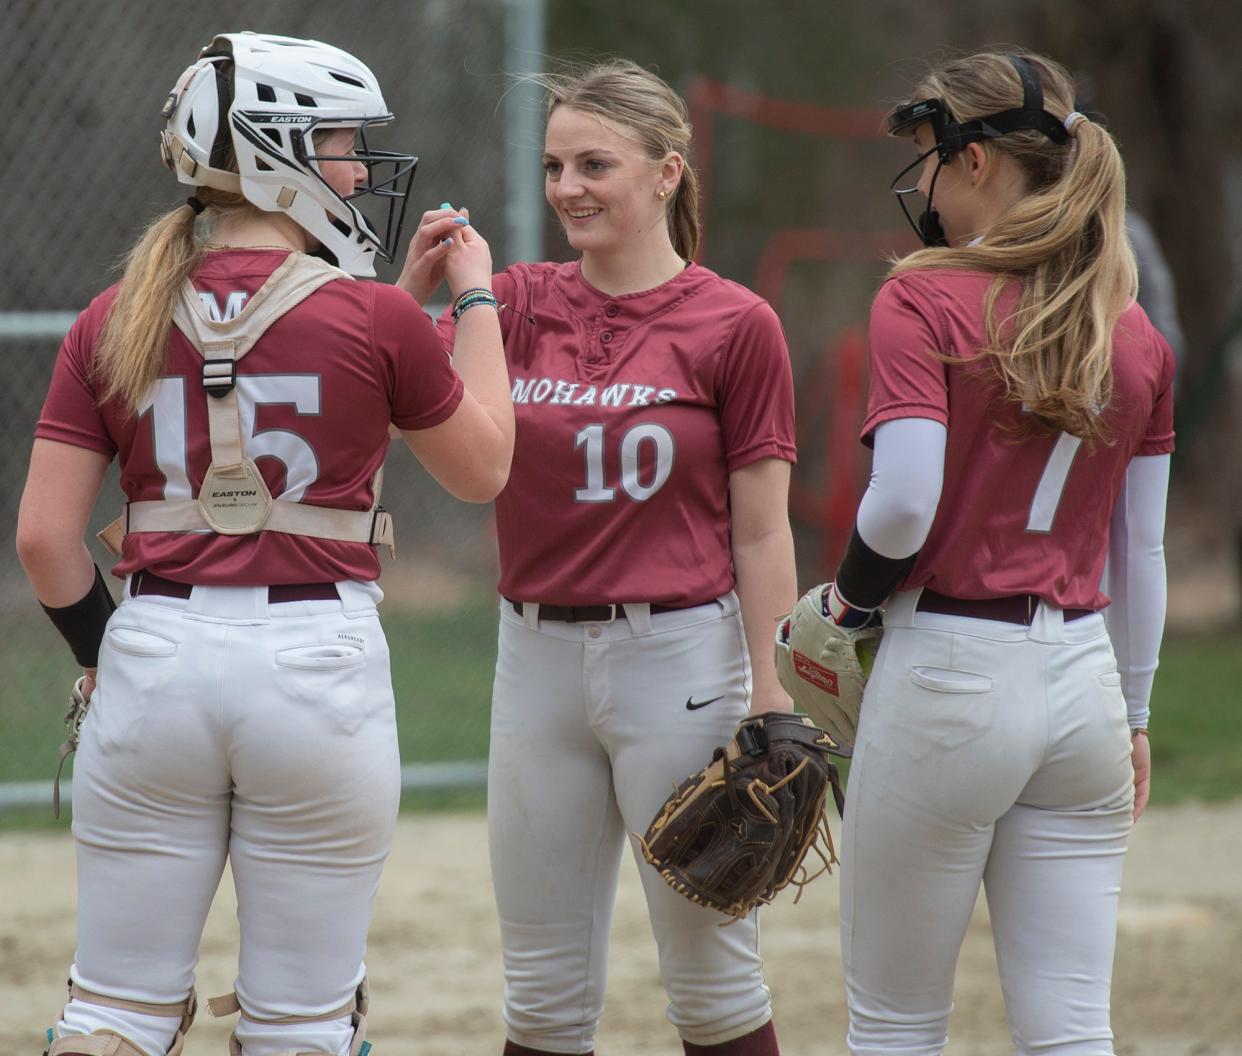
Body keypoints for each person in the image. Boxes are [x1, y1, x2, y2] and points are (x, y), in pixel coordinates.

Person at [17, 31, 512, 1056]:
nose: (356, 166)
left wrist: (103, 658)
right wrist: (472, 302)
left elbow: (43, 541)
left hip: (155, 653)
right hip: (315, 668)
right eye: (336, 141)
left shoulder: (115, 314)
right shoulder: (377, 317)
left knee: (112, 1014)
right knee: (301, 1027)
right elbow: (484, 468)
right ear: (274, 151)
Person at [398, 59, 798, 1056]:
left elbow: (762, 531)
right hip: (533, 661)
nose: (566, 186)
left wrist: (773, 691)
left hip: (681, 661)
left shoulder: (736, 323)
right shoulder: (516, 303)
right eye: (552, 165)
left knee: (712, 985)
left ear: (667, 175)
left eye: (593, 163)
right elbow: (405, 407)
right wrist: (417, 297)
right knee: (540, 997)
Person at [817, 50, 1173, 1054]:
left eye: (929, 156)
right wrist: (1138, 715)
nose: (921, 183)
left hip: (949, 674)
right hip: (1084, 682)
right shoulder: (1135, 327)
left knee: (894, 1027)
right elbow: (1138, 552)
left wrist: (843, 608)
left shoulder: (923, 296)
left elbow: (901, 509)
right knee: (1069, 1032)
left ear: (976, 160)